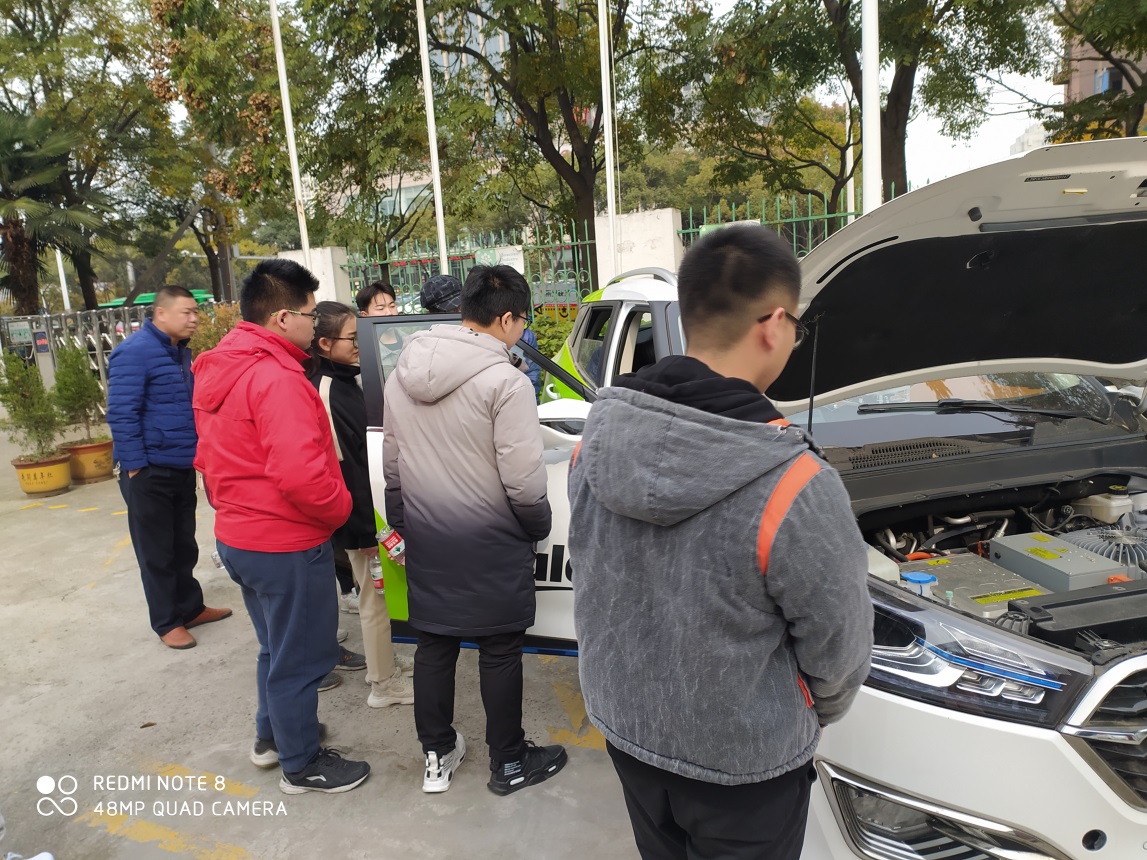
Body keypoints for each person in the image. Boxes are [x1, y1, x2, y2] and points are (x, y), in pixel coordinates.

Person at [567, 224, 873, 859]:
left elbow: (596, 577)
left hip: (630, 736)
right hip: (745, 767)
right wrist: (805, 711)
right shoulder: (796, 483)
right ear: (775, 324)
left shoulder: (594, 444)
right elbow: (839, 651)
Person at [383, 264, 567, 795]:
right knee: (501, 649)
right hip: (491, 539)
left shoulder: (402, 372)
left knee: (434, 646)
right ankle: (508, 762)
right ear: (506, 319)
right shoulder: (506, 382)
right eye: (523, 321)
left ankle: (436, 755)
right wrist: (536, 525)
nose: (523, 330)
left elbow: (393, 463)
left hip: (428, 533)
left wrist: (405, 522)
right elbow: (523, 480)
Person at [192, 259, 370, 795]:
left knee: (276, 648)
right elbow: (302, 475)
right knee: (303, 658)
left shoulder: (223, 366)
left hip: (240, 536)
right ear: (283, 317)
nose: (316, 325)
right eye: (312, 314)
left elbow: (207, 456)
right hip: (285, 542)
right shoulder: (276, 378)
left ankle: (273, 738)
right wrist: (339, 509)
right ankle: (302, 763)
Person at [107, 284, 231, 650]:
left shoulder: (177, 352)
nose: (194, 319)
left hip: (179, 463)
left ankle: (190, 608)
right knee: (157, 551)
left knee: (183, 544)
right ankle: (166, 621)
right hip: (148, 470)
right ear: (161, 313)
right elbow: (122, 412)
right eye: (186, 312)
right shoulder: (135, 351)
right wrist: (135, 467)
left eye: (195, 312)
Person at [307, 300, 415, 709]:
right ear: (324, 343)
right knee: (373, 599)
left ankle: (384, 662)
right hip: (359, 519)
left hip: (372, 509)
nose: (360, 345)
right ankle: (382, 684)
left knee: (384, 596)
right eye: (353, 338)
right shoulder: (326, 391)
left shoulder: (349, 378)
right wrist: (364, 532)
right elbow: (343, 470)